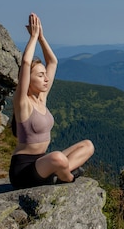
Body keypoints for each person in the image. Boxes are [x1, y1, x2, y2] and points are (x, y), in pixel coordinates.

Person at [9, 13, 94, 189]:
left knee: (88, 145)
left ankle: (58, 174)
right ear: (28, 80)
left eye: (45, 75)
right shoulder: (22, 103)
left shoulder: (42, 98)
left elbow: (53, 62)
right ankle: (67, 178)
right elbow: (26, 62)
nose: (46, 79)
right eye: (40, 75)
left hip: (42, 162)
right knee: (57, 157)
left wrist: (41, 37)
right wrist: (32, 37)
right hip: (24, 170)